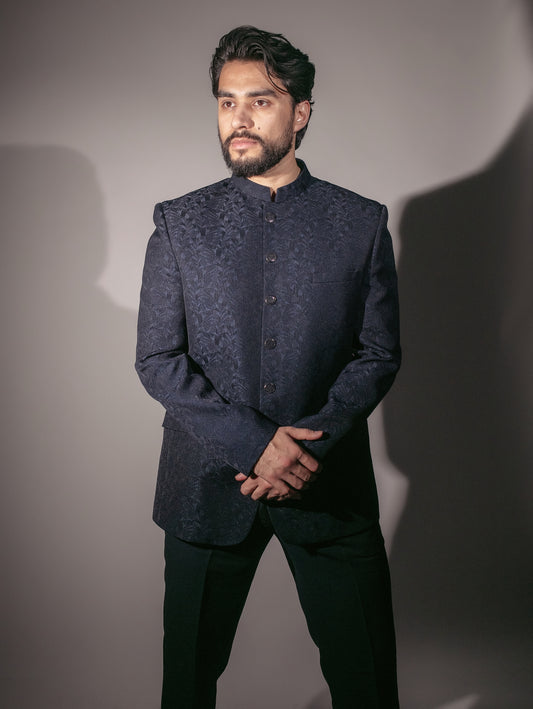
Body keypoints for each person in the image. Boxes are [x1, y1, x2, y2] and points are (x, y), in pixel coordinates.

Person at [135, 25, 401, 709]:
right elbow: (158, 359)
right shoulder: (179, 223)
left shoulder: (361, 222)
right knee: (186, 688)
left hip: (329, 486)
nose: (239, 118)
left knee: (368, 686)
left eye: (259, 100)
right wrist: (259, 445)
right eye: (227, 102)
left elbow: (377, 353)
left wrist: (303, 449)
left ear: (300, 112)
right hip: (204, 490)